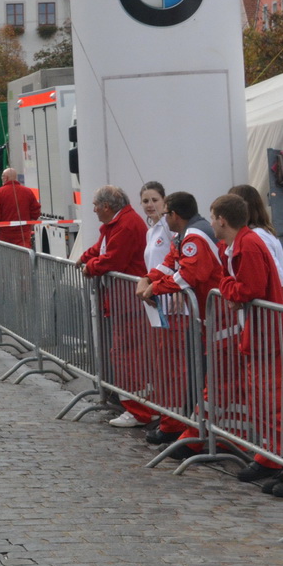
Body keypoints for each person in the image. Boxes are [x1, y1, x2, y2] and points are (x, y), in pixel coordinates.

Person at [205, 193, 283, 496]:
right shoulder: (241, 244)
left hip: (267, 334)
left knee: (272, 402)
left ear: (222, 220)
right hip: (261, 333)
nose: (211, 222)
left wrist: (224, 284)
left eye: (213, 217)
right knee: (264, 401)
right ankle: (278, 458)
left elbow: (246, 290)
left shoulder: (250, 244)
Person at [136, 191, 220, 447]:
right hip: (208, 315)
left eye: (165, 213)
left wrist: (155, 288)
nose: (163, 218)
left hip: (216, 315)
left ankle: (202, 435)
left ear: (175, 215)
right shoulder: (185, 234)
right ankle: (193, 431)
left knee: (213, 378)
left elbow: (188, 274)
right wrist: (149, 278)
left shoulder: (194, 235)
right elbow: (171, 263)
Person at [77, 185, 149, 428]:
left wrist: (91, 266)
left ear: (107, 206)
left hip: (128, 301)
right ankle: (135, 406)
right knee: (124, 354)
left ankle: (138, 410)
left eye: (96, 206)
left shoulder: (126, 225)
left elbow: (113, 258)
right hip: (122, 300)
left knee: (127, 355)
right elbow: (102, 248)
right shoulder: (118, 223)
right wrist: (87, 257)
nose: (94, 210)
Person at [108, 181, 174, 428]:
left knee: (167, 361)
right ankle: (156, 409)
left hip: (168, 302)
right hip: (153, 301)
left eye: (154, 200)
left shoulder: (169, 229)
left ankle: (166, 416)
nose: (149, 205)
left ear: (164, 201)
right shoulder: (151, 230)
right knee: (156, 359)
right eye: (145, 201)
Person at [0, 168, 40, 248]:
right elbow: (36, 210)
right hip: (23, 234)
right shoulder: (27, 192)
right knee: (24, 256)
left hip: (5, 235)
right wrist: (30, 225)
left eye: (2, 177)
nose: (2, 179)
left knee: (7, 257)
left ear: (6, 178)